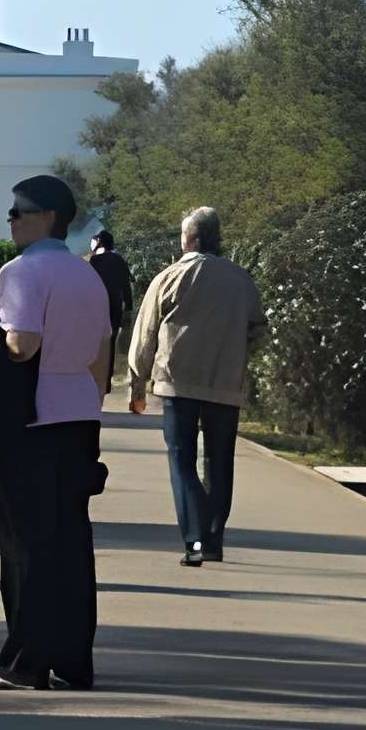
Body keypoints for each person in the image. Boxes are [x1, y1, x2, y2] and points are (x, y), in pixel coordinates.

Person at [0, 172, 112, 691]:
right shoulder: (89, 275)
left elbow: (24, 346)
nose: (11, 220)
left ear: (46, 218)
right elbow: (103, 354)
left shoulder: (21, 272)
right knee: (70, 539)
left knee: (26, 543)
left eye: (19, 211)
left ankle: (26, 660)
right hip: (80, 413)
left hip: (33, 417)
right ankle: (73, 658)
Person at [126, 206, 267, 567]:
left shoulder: (169, 277)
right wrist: (237, 352)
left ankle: (195, 541)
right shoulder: (241, 280)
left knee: (182, 461)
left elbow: (145, 334)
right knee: (220, 462)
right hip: (225, 382)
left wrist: (137, 385)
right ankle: (215, 539)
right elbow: (259, 330)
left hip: (177, 382)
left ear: (193, 238)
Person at [86, 226, 136, 359]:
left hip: (98, 307)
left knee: (99, 342)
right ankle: (108, 375)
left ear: (99, 243)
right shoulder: (118, 259)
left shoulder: (94, 261)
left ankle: (99, 375)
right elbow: (126, 285)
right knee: (111, 342)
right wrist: (129, 308)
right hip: (115, 306)